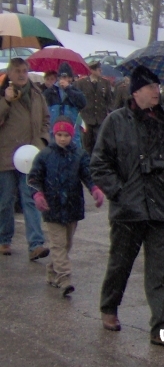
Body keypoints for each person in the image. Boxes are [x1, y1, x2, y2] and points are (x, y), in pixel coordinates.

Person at [91, 65, 164, 348]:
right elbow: (99, 164)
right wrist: (119, 192)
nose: (156, 92)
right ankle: (109, 306)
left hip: (159, 207)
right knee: (120, 263)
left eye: (157, 87)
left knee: (160, 270)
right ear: (136, 92)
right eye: (150, 87)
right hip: (128, 208)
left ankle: (161, 326)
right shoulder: (116, 122)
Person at [28, 116, 105, 296]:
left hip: (72, 206)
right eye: (59, 135)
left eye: (66, 135)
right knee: (58, 244)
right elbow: (33, 178)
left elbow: (87, 174)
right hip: (52, 207)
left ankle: (52, 271)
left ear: (72, 135)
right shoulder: (45, 155)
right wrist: (37, 193)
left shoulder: (79, 155)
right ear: (54, 135)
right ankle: (64, 278)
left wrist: (94, 188)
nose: (62, 138)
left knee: (67, 244)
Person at [0, 58, 50, 259]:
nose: (21, 74)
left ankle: (35, 245)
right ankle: (4, 239)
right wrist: (6, 101)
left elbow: (46, 120)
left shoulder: (37, 94)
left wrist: (43, 140)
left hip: (30, 156)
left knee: (30, 199)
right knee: (5, 200)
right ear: (9, 74)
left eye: (24, 70)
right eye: (17, 71)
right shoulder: (3, 94)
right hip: (6, 155)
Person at [43, 62, 87, 147]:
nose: (66, 79)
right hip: (54, 132)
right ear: (58, 78)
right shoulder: (50, 92)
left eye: (69, 77)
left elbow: (83, 103)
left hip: (72, 132)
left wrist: (68, 89)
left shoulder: (75, 91)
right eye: (64, 77)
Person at [75, 61, 113, 154]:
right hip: (86, 119)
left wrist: (109, 113)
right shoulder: (81, 83)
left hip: (100, 119)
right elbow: (78, 100)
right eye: (98, 69)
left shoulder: (105, 83)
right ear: (92, 70)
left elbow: (109, 100)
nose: (100, 71)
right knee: (86, 145)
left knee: (99, 144)